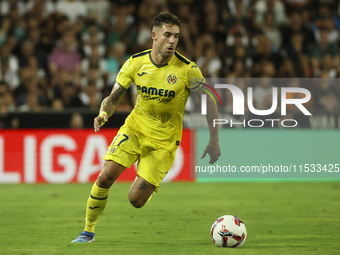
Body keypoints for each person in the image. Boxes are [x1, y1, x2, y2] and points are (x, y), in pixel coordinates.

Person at [71, 12, 220, 243]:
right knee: (105, 177)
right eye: (167, 35)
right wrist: (104, 113)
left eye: (176, 36)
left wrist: (214, 139)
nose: (172, 41)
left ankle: (145, 185)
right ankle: (87, 232)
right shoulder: (135, 62)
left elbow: (210, 101)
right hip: (135, 128)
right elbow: (113, 97)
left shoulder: (188, 69)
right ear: (154, 35)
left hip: (164, 141)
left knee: (135, 200)